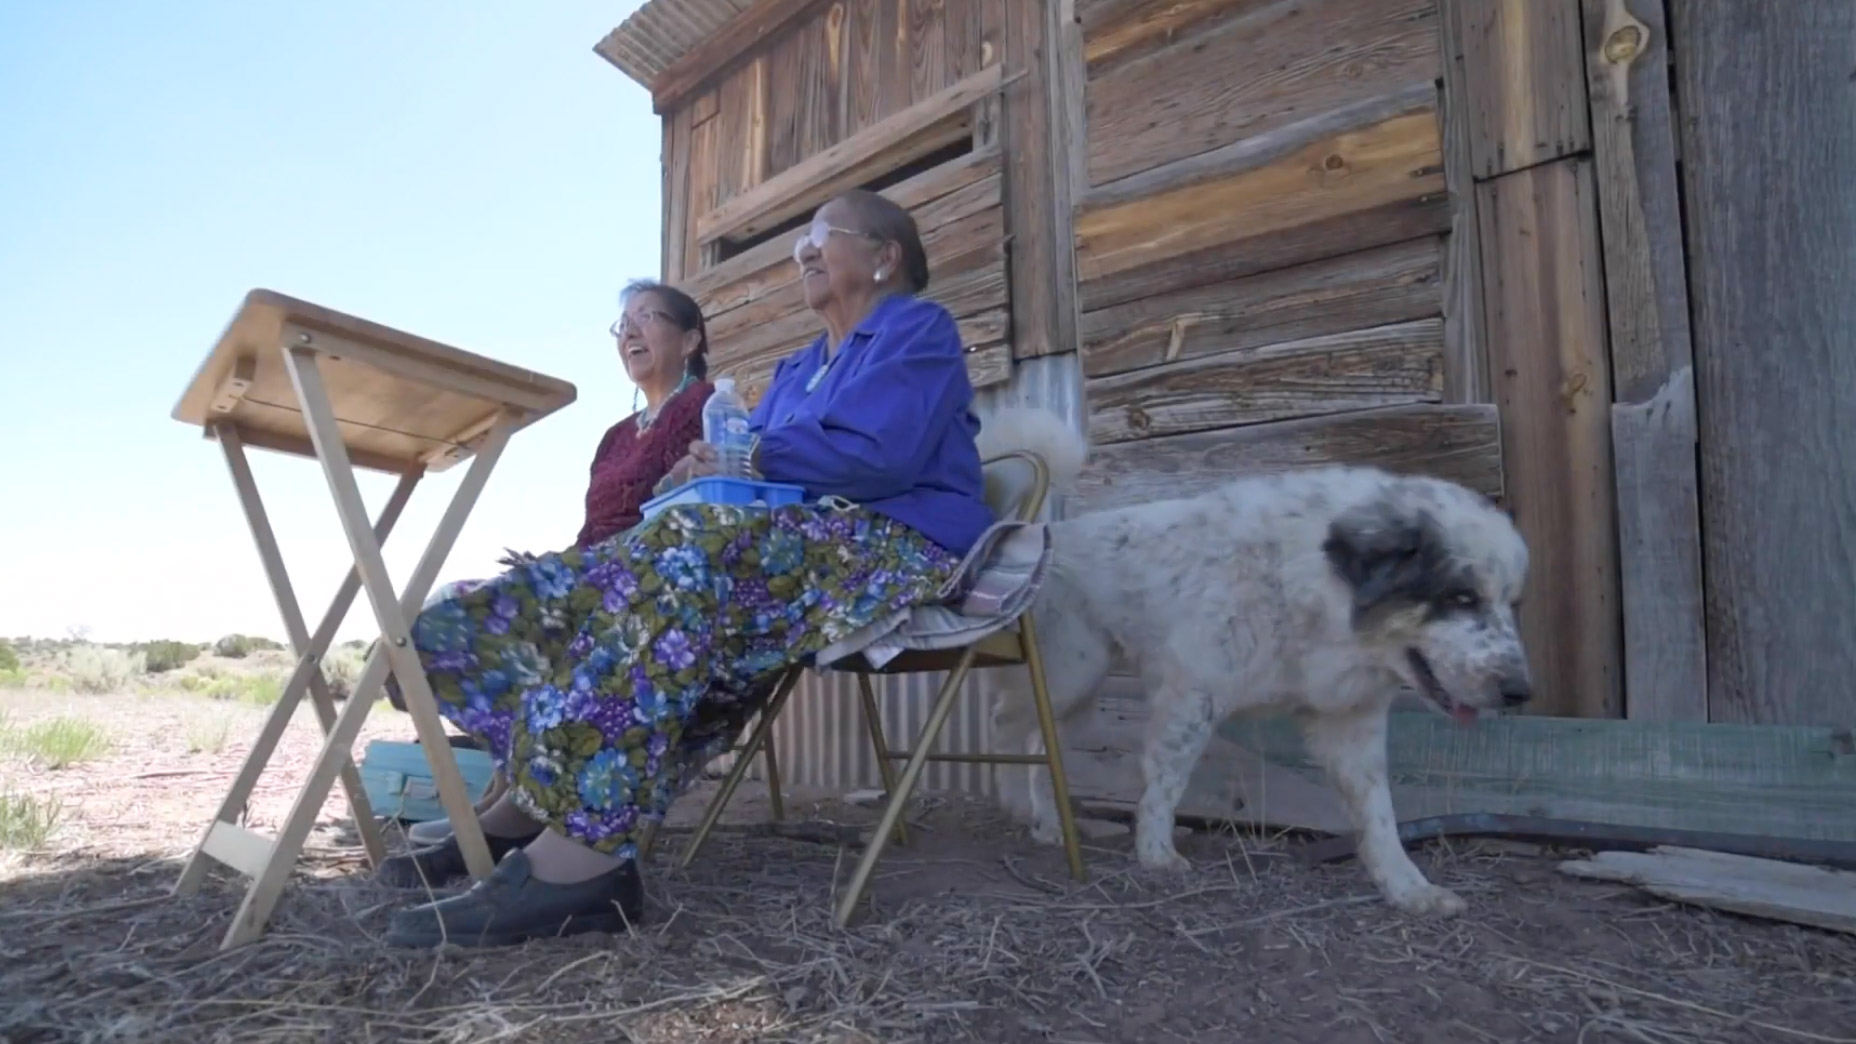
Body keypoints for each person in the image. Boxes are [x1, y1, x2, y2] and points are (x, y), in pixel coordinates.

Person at [382, 189, 993, 948]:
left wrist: (749, 454)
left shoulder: (916, 330)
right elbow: (748, 462)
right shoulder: (799, 364)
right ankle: (531, 807)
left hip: (894, 539)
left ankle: (584, 864)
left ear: (883, 255)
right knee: (561, 590)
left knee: (677, 567)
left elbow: (883, 454)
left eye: (820, 235)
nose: (802, 250)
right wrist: (704, 462)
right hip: (776, 547)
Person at [376, 279, 713, 882]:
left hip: (650, 579)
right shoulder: (615, 434)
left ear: (689, 339)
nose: (631, 332)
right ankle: (518, 800)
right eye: (622, 325)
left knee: (459, 615)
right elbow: (593, 530)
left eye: (648, 318)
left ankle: (520, 812)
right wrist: (552, 563)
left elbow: (703, 509)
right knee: (439, 614)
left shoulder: (706, 406)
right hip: (591, 569)